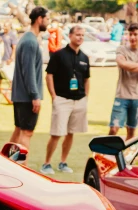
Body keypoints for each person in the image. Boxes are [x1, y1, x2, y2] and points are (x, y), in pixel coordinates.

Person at [40, 25, 89, 176]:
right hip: (62, 99)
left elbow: (87, 79)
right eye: (77, 35)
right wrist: (54, 96)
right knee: (56, 133)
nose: (80, 37)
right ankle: (46, 163)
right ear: (70, 36)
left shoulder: (84, 57)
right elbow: (49, 75)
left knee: (71, 133)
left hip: (79, 100)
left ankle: (63, 162)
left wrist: (86, 97)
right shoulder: (59, 55)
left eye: (82, 35)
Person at [10, 7, 49, 150]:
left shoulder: (28, 39)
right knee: (26, 133)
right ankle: (21, 168)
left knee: (19, 130)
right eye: (47, 19)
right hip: (26, 97)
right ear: (39, 19)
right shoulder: (29, 42)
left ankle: (5, 164)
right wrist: (35, 96)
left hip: (21, 96)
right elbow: (29, 71)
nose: (48, 22)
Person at [109, 22, 138, 140]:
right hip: (122, 95)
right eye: (130, 34)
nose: (132, 37)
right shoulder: (122, 49)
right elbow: (121, 63)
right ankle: (106, 153)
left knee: (131, 131)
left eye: (135, 34)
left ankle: (126, 156)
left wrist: (128, 65)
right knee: (114, 129)